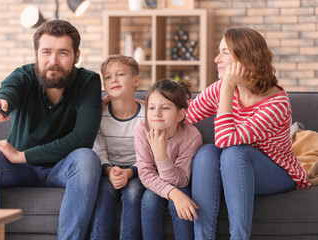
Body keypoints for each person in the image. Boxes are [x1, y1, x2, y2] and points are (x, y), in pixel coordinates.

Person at [0, 19, 102, 240]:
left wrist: (22, 155)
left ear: (77, 56)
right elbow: (8, 90)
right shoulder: (24, 75)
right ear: (36, 54)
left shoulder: (89, 82)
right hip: (17, 170)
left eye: (63, 53)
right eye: (46, 52)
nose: (53, 61)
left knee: (87, 158)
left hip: (62, 168)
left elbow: (83, 138)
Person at [187, 27, 310, 239]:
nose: (216, 59)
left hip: (279, 173)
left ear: (246, 58)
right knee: (206, 152)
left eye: (225, 52)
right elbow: (184, 114)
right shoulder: (223, 87)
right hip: (235, 168)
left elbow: (226, 140)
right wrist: (133, 106)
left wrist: (226, 88)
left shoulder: (276, 104)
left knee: (235, 152)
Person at [134, 79, 203, 240]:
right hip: (154, 184)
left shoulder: (192, 136)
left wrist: (161, 156)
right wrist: (173, 193)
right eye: (151, 108)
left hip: (181, 183)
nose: (156, 113)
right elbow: (145, 174)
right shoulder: (142, 129)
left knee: (183, 205)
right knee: (149, 200)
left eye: (165, 108)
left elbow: (182, 180)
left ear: (180, 115)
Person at [90, 55, 145, 239]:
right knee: (103, 194)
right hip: (109, 170)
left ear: (136, 80)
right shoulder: (98, 115)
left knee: (134, 192)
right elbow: (98, 150)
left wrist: (129, 172)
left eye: (120, 74)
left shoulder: (148, 116)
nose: (113, 79)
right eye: (108, 77)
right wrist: (109, 171)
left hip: (138, 171)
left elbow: (148, 155)